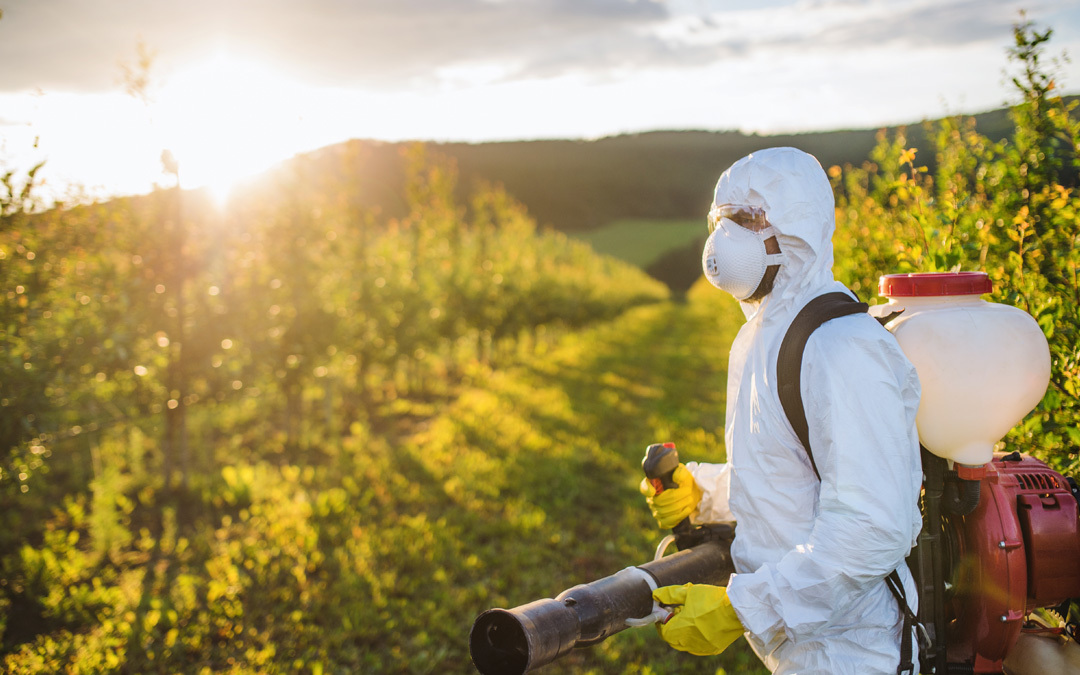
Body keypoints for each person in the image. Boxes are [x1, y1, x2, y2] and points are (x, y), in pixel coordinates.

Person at [641, 147, 923, 674]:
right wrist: (707, 493)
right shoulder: (761, 339)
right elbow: (792, 476)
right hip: (800, 645)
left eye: (748, 219)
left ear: (798, 228)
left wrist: (741, 608)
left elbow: (871, 526)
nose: (725, 238)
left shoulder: (841, 346)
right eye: (721, 219)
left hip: (856, 652)